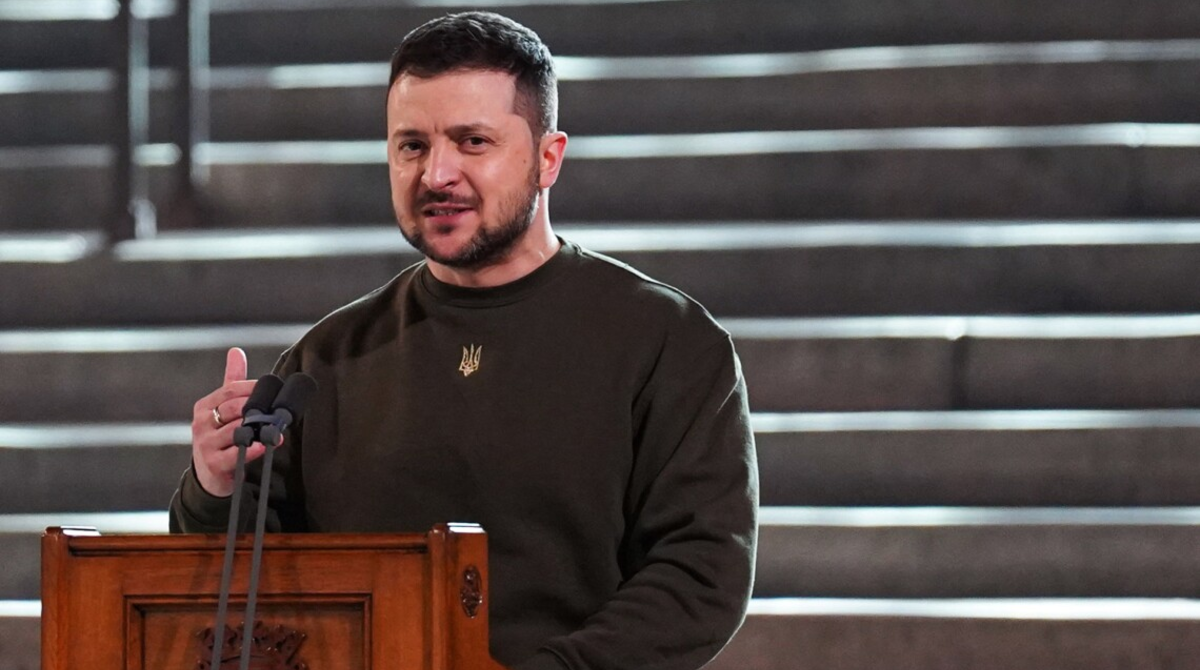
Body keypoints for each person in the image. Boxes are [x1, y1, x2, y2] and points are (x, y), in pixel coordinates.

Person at [170, 11, 758, 670]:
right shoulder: (327, 358)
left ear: (548, 158)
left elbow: (700, 574)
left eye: (472, 141)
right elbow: (235, 586)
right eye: (411, 145)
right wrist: (213, 487)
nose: (436, 174)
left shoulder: (668, 342)